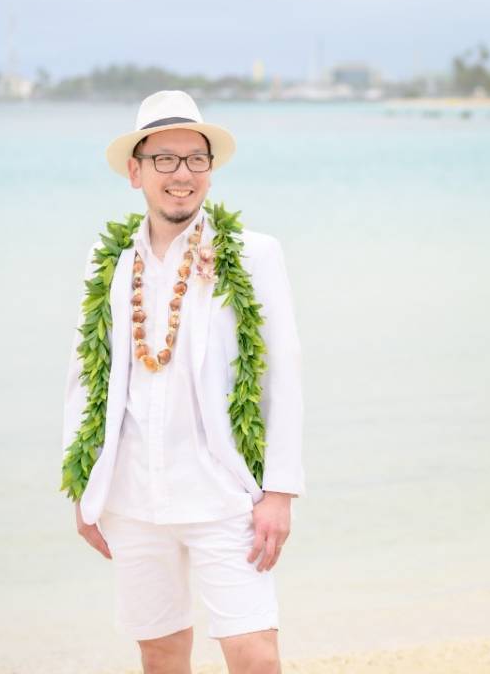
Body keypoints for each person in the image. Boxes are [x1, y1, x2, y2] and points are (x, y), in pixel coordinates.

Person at [61, 90, 305, 674]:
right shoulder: (109, 259)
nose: (182, 174)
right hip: (131, 495)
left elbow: (283, 375)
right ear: (135, 172)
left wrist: (279, 493)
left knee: (254, 651)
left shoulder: (252, 254)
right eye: (165, 159)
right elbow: (85, 375)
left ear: (210, 171)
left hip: (223, 493)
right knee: (161, 651)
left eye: (196, 159)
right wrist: (83, 487)